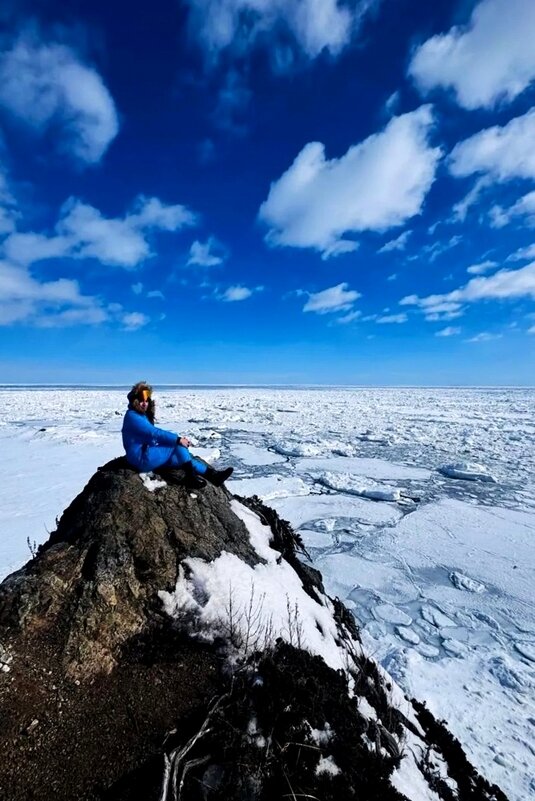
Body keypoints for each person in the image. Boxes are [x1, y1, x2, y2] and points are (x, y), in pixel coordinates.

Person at [121, 381, 233, 489]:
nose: (144, 403)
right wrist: (177, 439)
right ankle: (191, 477)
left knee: (183, 457)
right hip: (141, 458)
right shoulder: (133, 416)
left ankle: (213, 476)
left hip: (146, 453)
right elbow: (153, 433)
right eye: (141, 400)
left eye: (146, 400)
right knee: (177, 445)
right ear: (135, 401)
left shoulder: (140, 415)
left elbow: (150, 436)